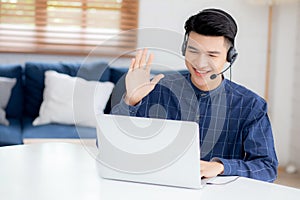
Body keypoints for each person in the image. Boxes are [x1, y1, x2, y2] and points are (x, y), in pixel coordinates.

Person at [111, 8, 278, 182]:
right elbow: (111, 147)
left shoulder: (250, 105)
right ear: (184, 49)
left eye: (212, 54)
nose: (199, 63)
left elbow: (267, 168)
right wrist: (131, 101)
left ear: (230, 57)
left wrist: (220, 167)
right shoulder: (157, 88)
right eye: (193, 51)